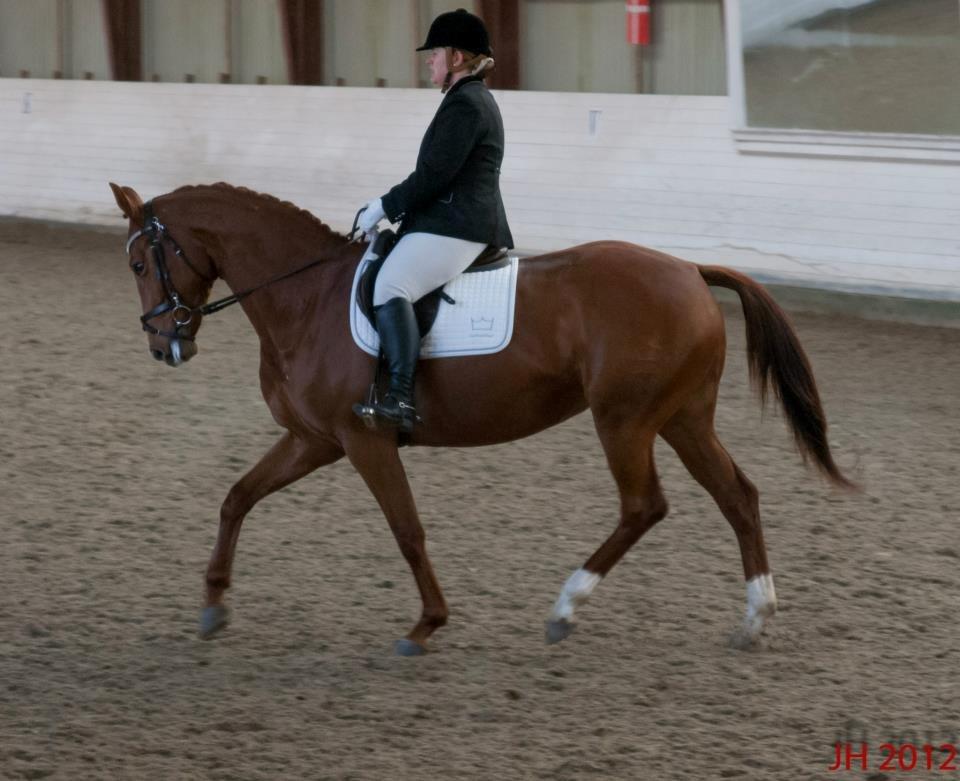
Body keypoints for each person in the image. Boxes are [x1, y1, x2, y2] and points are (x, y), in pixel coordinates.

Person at [354, 8, 514, 433]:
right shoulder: (465, 100)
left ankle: (401, 397)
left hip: (460, 225)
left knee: (391, 286)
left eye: (435, 53)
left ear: (457, 57)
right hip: (450, 219)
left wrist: (384, 206)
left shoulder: (467, 104)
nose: (429, 60)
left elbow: (433, 176)